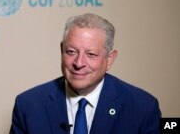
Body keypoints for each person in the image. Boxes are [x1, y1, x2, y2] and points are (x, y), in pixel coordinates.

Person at [9, 13, 161, 134]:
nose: (79, 63)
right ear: (61, 50)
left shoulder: (143, 108)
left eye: (91, 54)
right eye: (71, 52)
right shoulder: (28, 106)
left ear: (109, 59)